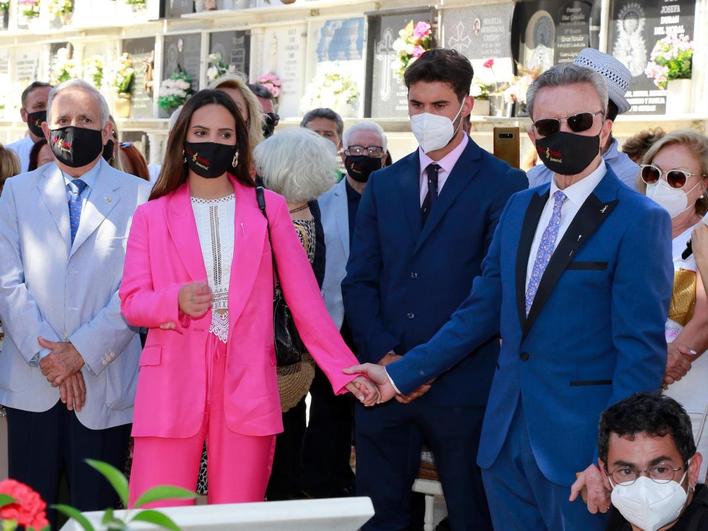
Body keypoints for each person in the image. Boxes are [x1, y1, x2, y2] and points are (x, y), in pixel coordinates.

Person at [347, 62, 675, 530]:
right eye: (546, 126)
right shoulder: (521, 205)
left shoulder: (638, 218)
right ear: (533, 133)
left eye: (578, 122)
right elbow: (481, 309)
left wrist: (615, 457)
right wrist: (399, 375)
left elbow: (639, 352)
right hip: (503, 444)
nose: (562, 134)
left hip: (582, 454)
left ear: (604, 127)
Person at [119, 89, 378, 507]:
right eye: (201, 132)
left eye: (224, 135)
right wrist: (174, 300)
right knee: (157, 515)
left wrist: (346, 372)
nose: (213, 143)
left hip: (249, 384)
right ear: (183, 140)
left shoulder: (268, 208)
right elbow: (131, 301)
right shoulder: (152, 214)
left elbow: (306, 303)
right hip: (170, 386)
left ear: (239, 144)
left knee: (238, 517)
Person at [342, 48, 527, 531]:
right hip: (383, 383)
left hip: (461, 387)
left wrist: (422, 367)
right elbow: (359, 279)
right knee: (379, 518)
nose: (426, 116)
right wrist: (386, 357)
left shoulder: (505, 184)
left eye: (438, 105)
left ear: (466, 106)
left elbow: (492, 294)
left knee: (470, 516)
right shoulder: (385, 183)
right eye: (416, 105)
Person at [0, 79, 150, 525]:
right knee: (28, 516)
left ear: (106, 132)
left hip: (105, 381)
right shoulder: (17, 193)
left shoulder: (139, 196)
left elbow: (135, 290)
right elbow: (8, 282)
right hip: (34, 382)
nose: (73, 129)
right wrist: (53, 358)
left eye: (86, 120)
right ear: (46, 130)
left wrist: (80, 353)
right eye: (63, 120)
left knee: (96, 514)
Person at [302, 120, 389, 499]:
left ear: (384, 155)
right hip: (334, 322)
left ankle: (369, 486)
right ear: (343, 153)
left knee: (375, 410)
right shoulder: (322, 201)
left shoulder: (394, 200)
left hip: (378, 323)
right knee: (329, 410)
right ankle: (323, 484)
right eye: (357, 149)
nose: (363, 158)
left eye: (372, 151)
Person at [252, 127, 336, 500]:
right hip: (290, 360)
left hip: (272, 361)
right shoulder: (306, 213)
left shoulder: (287, 222)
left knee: (273, 461)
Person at [637, 129, 708, 482]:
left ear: (703, 185)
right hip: (632, 393)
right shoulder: (636, 233)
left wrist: (674, 358)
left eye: (677, 177)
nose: (662, 185)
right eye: (653, 173)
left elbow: (702, 315)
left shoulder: (704, 240)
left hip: (688, 396)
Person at [528, 48, 638, 190]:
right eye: (549, 125)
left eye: (578, 120)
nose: (564, 131)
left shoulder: (630, 179)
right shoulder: (535, 178)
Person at [599, 393, 707, 530]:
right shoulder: (613, 522)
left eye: (660, 469)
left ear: (692, 469)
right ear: (605, 473)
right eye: (626, 471)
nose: (643, 490)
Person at [7, 81, 52, 173]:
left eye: (52, 105)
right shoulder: (8, 156)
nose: (48, 111)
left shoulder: (74, 153)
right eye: (39, 106)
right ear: (24, 115)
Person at [211, 73, 265, 148]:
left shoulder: (261, 157)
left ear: (249, 116)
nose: (226, 114)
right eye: (220, 106)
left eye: (236, 108)